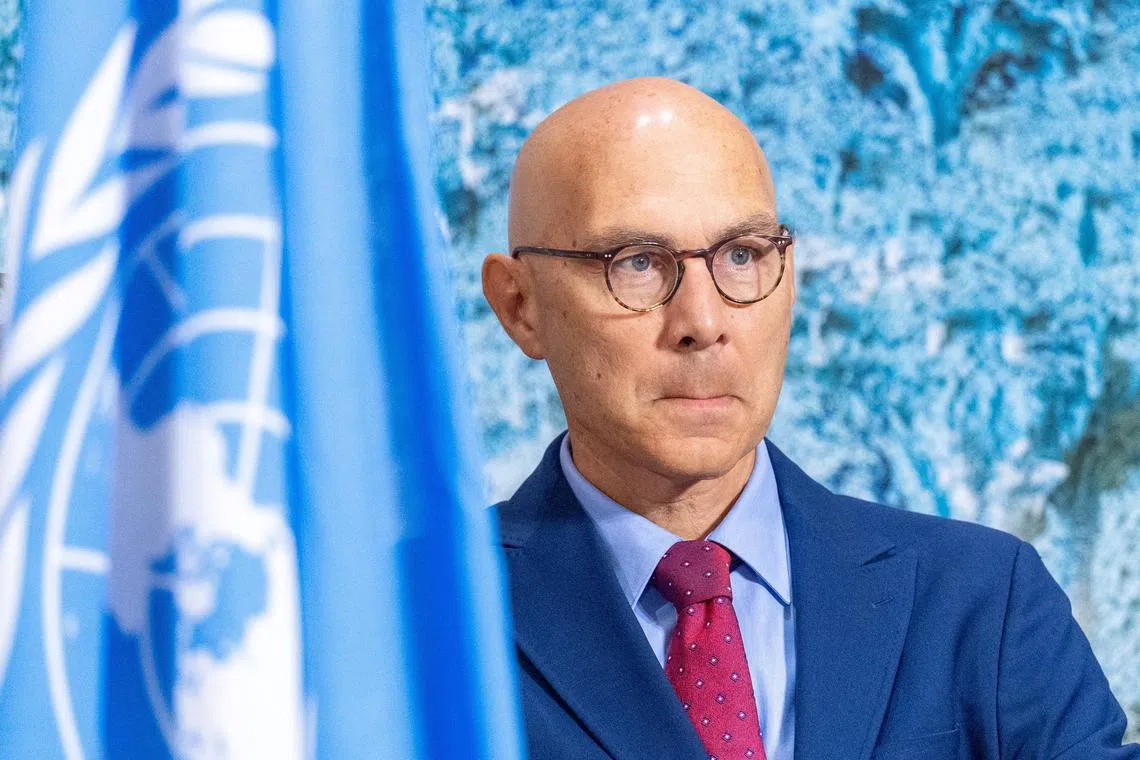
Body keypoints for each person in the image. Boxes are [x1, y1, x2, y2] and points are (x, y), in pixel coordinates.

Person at [481, 77, 1138, 760]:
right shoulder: (415, 623)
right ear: (520, 306)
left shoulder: (984, 603)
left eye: (742, 255)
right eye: (637, 263)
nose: (703, 323)